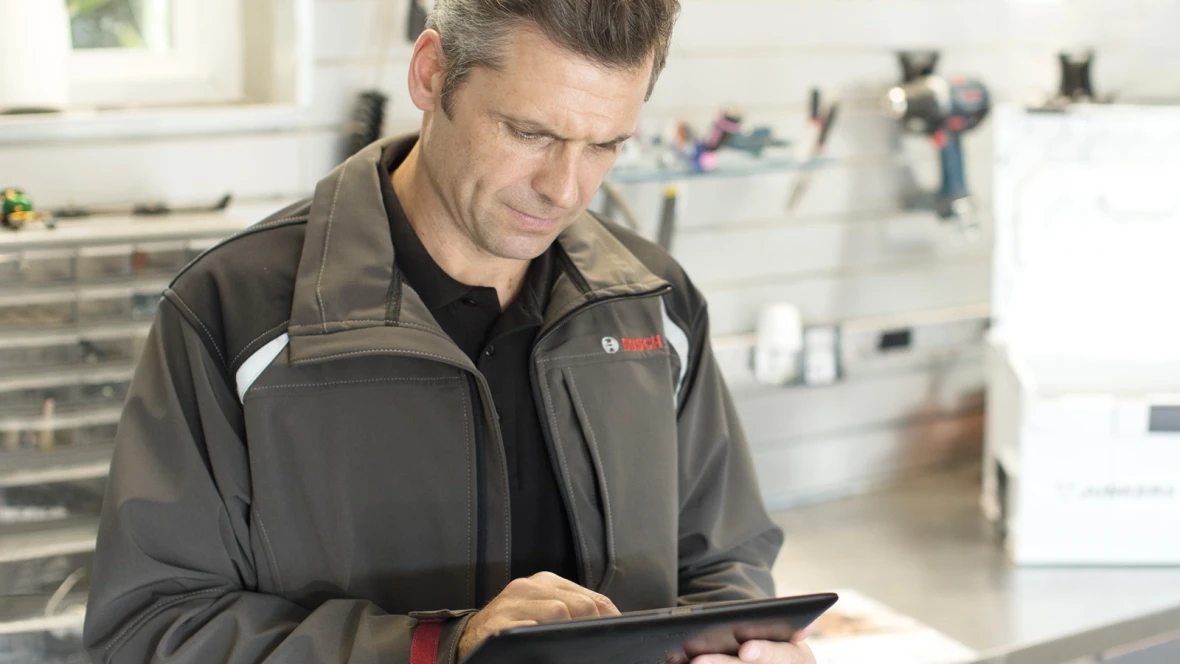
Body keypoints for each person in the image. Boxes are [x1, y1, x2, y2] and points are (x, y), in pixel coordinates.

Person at [83, 1, 812, 663]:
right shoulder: (232, 316)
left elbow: (725, 563)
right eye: (530, 133)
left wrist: (743, 645)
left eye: (605, 145)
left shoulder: (654, 303)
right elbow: (151, 630)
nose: (565, 189)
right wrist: (436, 649)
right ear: (431, 74)